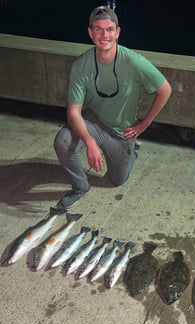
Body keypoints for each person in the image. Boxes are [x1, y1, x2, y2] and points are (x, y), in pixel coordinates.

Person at [54, 5, 172, 209]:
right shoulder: (81, 65)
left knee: (117, 180)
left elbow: (165, 90)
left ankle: (132, 150)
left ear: (117, 32)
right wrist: (90, 142)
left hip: (120, 130)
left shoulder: (134, 62)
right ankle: (81, 186)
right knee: (62, 141)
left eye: (109, 29)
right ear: (90, 33)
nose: (104, 35)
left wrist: (143, 124)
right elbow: (73, 112)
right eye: (98, 29)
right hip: (92, 121)